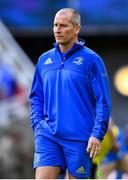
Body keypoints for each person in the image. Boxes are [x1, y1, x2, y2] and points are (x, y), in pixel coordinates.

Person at [29, 8, 111, 179]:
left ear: (76, 29)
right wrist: (37, 125)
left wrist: (96, 134)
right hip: (48, 134)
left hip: (79, 137)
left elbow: (103, 101)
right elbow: (36, 97)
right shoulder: (44, 60)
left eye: (63, 26)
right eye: (55, 25)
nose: (57, 30)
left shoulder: (92, 60)